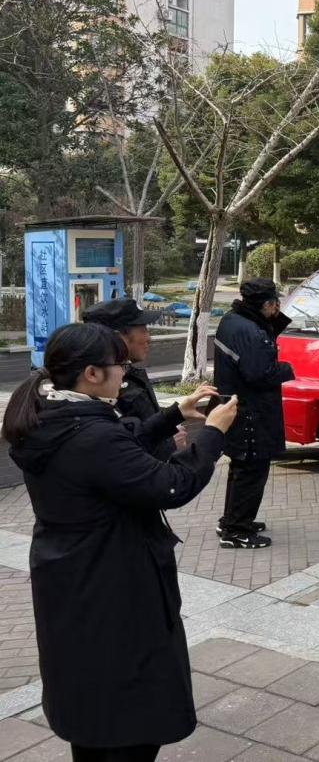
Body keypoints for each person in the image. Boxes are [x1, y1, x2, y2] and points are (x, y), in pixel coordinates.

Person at [3, 322, 238, 762]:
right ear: (92, 373)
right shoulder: (91, 435)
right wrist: (213, 433)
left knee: (91, 705)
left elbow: (118, 454)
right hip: (113, 583)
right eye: (121, 365)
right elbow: (171, 485)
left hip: (71, 577)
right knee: (129, 713)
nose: (125, 373)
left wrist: (172, 414)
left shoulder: (50, 415)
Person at [213, 278, 294, 549]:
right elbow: (259, 374)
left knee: (240, 468)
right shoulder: (250, 331)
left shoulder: (232, 320)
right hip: (251, 412)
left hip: (236, 406)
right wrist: (287, 369)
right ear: (267, 304)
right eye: (275, 304)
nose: (277, 309)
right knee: (252, 471)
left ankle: (233, 520)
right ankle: (236, 531)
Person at [82, 297, 178, 457]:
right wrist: (169, 444)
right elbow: (124, 451)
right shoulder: (106, 391)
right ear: (118, 338)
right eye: (143, 330)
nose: (149, 338)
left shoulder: (132, 375)